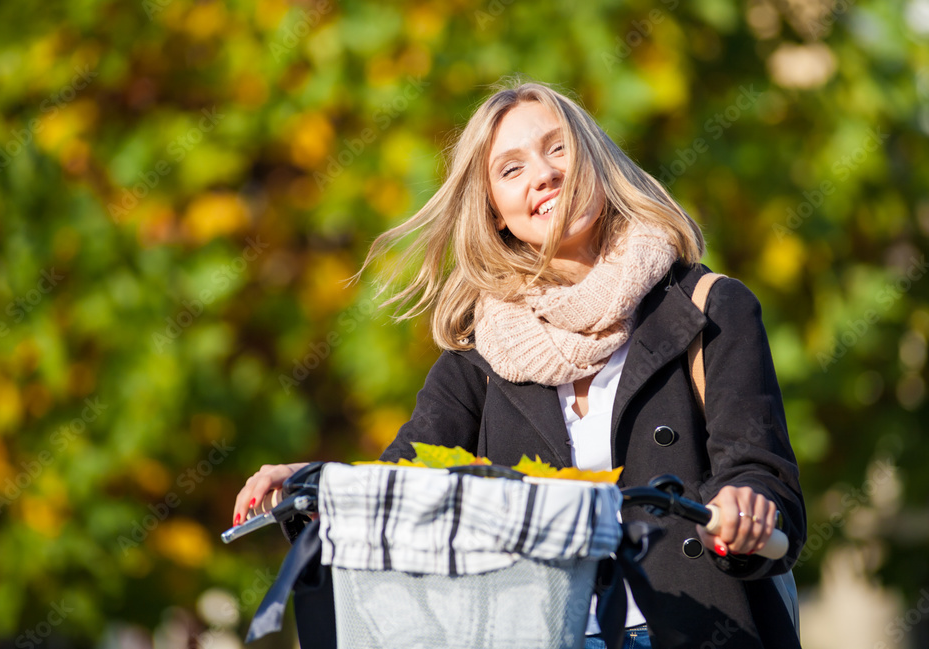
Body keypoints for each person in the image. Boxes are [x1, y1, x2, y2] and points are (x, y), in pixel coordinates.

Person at [231, 79, 805, 649]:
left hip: (693, 630)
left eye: (559, 149)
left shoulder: (711, 306)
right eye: (511, 169)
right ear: (497, 214)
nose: (545, 173)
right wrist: (315, 483)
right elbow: (407, 478)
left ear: (595, 163)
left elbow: (762, 474)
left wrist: (746, 509)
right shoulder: (481, 352)